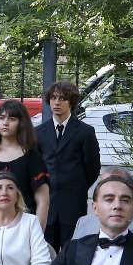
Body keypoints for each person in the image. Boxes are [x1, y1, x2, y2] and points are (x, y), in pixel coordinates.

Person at [35, 80, 101, 251]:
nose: (57, 103)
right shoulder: (39, 132)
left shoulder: (85, 132)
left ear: (71, 102)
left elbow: (92, 168)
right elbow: (36, 167)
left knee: (72, 252)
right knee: (45, 252)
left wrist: (76, 186)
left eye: (63, 99)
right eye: (54, 98)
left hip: (73, 204)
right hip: (46, 204)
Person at [0, 99, 51, 234]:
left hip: (23, 229)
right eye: (1, 118)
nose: (5, 123)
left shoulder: (33, 157)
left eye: (12, 118)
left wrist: (37, 235)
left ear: (22, 123)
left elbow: (42, 200)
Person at [72, 168, 133, 242]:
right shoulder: (84, 223)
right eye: (108, 198)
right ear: (94, 206)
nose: (116, 205)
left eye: (124, 199)